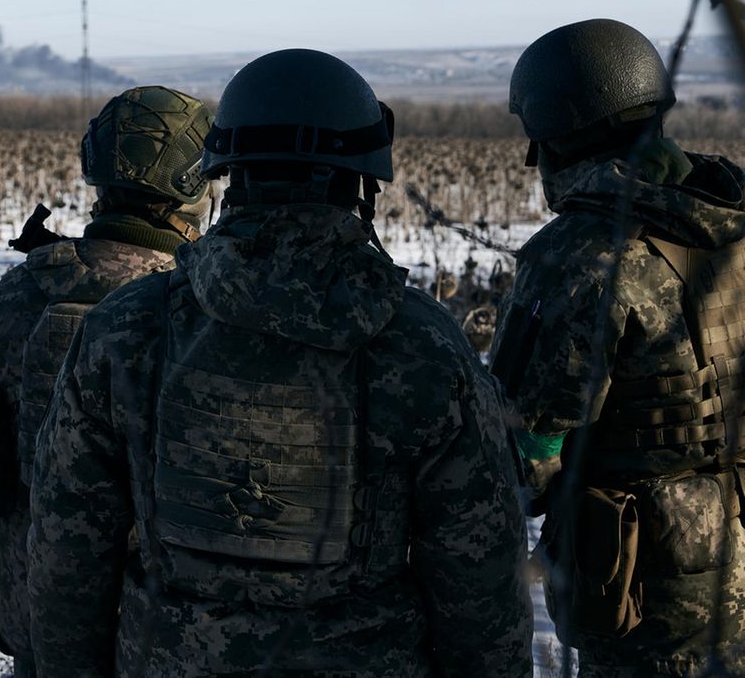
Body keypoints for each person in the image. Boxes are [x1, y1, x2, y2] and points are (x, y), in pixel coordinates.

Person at [29, 49, 533, 677]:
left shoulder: (125, 329)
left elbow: (67, 555)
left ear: (224, 170)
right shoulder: (423, 344)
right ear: (362, 181)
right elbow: (478, 576)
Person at [491, 18, 745, 677]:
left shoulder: (579, 257)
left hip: (652, 596)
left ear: (556, 136)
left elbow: (523, 456)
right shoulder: (733, 224)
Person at [0, 85, 214, 677]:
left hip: (37, 618)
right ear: (194, 186)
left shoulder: (22, 291)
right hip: (171, 640)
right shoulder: (203, 306)